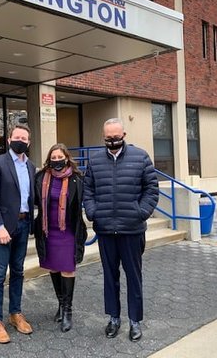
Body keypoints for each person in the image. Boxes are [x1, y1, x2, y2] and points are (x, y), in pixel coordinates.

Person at [83, 118, 159, 342]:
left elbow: (151, 190)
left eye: (116, 138)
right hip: (106, 230)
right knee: (109, 277)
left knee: (134, 277)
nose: (112, 141)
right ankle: (114, 318)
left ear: (124, 135)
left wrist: (140, 212)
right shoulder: (95, 161)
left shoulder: (141, 157)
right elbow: (89, 191)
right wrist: (93, 212)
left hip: (132, 230)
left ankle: (135, 321)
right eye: (108, 139)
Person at [0, 124, 35, 344]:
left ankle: (15, 313)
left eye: (24, 138)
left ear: (29, 142)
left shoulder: (31, 166)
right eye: (17, 137)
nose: (20, 140)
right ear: (9, 140)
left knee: (19, 271)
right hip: (3, 228)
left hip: (24, 225)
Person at [34, 143, 87, 332]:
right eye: (53, 158)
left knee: (67, 269)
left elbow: (86, 200)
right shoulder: (41, 177)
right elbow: (32, 199)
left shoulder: (77, 179)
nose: (57, 161)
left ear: (67, 158)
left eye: (60, 157)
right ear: (49, 159)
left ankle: (67, 311)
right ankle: (60, 304)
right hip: (48, 231)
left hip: (68, 232)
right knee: (54, 268)